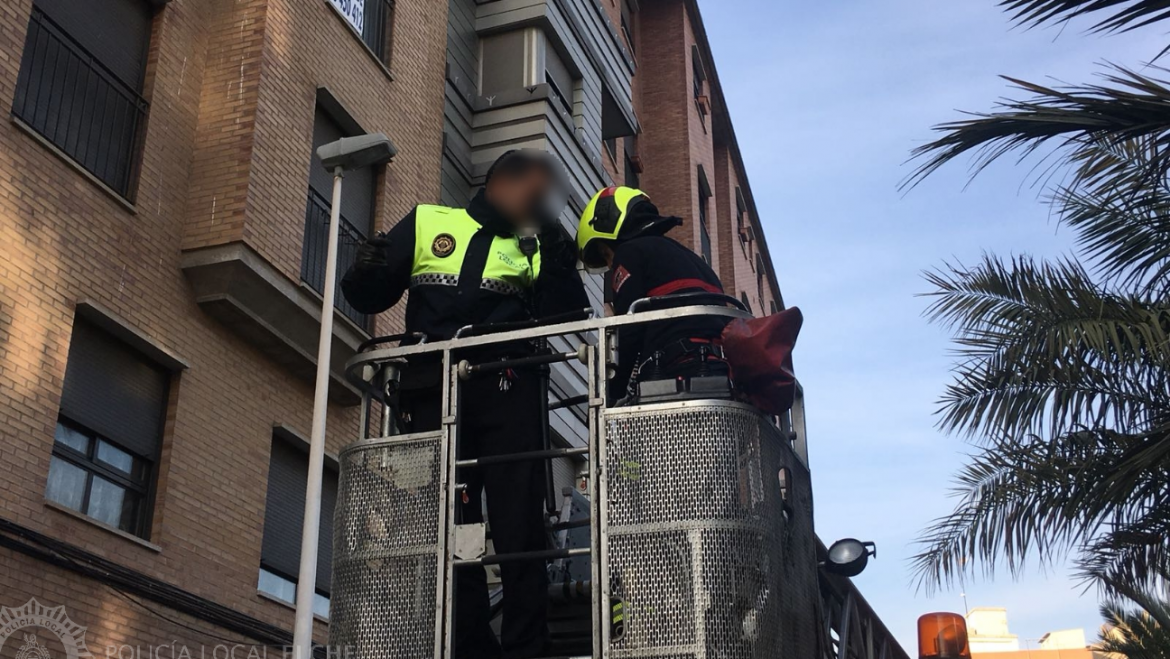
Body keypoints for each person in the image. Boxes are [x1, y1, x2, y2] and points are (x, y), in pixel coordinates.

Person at [341, 150, 589, 659]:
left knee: (519, 523)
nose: (540, 201)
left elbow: (566, 314)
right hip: (431, 394)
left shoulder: (534, 242)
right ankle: (468, 641)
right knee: (447, 524)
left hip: (508, 394)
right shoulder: (431, 221)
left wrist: (557, 247)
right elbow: (370, 297)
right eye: (535, 191)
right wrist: (362, 270)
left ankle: (527, 647)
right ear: (501, 182)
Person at [576, 186, 731, 401]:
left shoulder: (630, 252)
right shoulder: (697, 263)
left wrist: (608, 398)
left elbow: (628, 333)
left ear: (610, 221)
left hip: (675, 376)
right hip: (718, 374)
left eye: (606, 253)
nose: (611, 263)